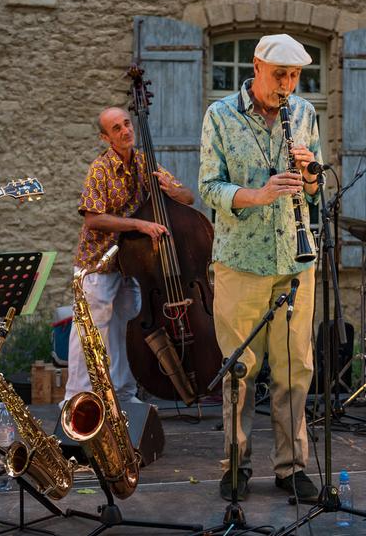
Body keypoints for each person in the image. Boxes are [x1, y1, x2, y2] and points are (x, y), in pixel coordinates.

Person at [199, 34, 322, 503]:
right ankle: (236, 465)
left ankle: (292, 468)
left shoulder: (305, 113)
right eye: (279, 75)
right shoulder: (220, 115)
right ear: (256, 67)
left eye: (294, 76)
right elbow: (209, 187)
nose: (286, 85)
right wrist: (259, 194)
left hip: (295, 259)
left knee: (295, 370)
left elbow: (315, 188)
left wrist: (310, 174)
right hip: (241, 262)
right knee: (240, 370)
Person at [63, 107, 194, 405]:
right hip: (97, 262)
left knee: (125, 329)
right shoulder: (100, 168)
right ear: (105, 138)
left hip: (131, 263)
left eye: (126, 124)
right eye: (116, 128)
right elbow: (93, 218)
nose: (125, 131)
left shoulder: (144, 162)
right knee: (90, 332)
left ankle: (123, 394)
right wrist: (139, 224)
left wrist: (173, 191)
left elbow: (188, 197)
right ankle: (76, 400)